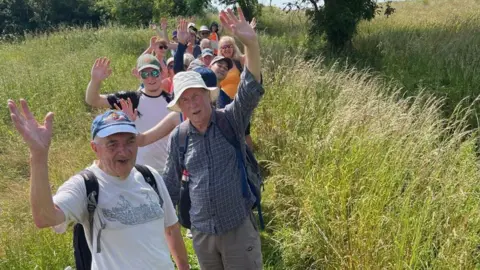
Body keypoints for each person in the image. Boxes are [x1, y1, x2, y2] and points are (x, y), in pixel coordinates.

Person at [7, 100, 189, 270]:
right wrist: (38, 156)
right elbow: (44, 218)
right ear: (95, 148)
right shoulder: (85, 185)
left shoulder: (150, 176)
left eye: (130, 141)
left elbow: (171, 228)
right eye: (112, 144)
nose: (123, 151)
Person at [163, 7, 263, 269]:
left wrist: (250, 44)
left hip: (237, 228)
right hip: (202, 234)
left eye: (196, 95)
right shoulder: (179, 137)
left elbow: (250, 89)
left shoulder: (230, 119)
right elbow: (170, 185)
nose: (192, 104)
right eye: (184, 100)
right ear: (180, 108)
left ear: (208, 95)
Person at [85, 54, 172, 174]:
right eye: (145, 74)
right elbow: (93, 100)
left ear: (162, 73)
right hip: (139, 171)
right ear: (139, 76)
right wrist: (95, 81)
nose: (150, 78)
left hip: (168, 169)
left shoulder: (172, 101)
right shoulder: (132, 99)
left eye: (154, 73)